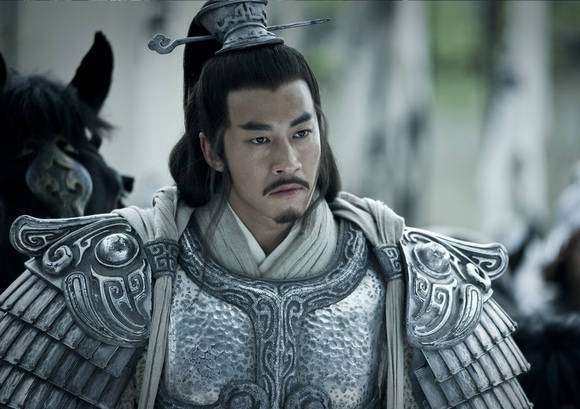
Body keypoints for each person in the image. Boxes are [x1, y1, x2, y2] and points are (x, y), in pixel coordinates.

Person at [1, 1, 531, 408]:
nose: (288, 161)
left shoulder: (411, 276)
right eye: (259, 139)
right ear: (211, 149)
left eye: (301, 132)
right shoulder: (119, 269)